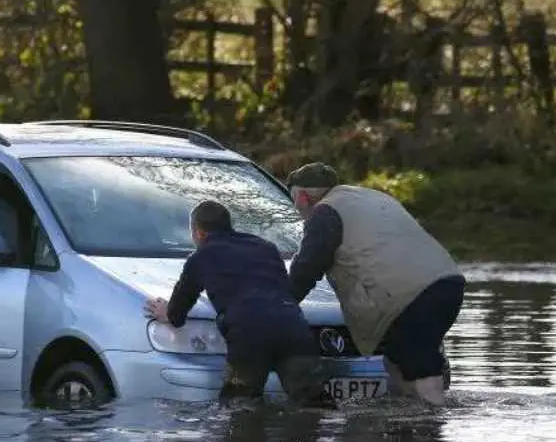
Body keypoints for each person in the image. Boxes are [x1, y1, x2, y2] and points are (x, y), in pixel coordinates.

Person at [285, 162, 465, 406]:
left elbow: (306, 268)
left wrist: (282, 304)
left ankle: (435, 421)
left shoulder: (325, 212)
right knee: (396, 358)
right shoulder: (368, 197)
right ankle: (411, 429)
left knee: (417, 360)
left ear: (303, 197)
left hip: (410, 296)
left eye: (294, 200)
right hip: (448, 282)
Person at [144, 199, 333, 408]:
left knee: (240, 407)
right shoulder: (266, 248)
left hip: (248, 333)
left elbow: (178, 312)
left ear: (198, 233)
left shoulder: (202, 256)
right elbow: (284, 289)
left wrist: (167, 313)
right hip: (293, 327)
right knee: (315, 405)